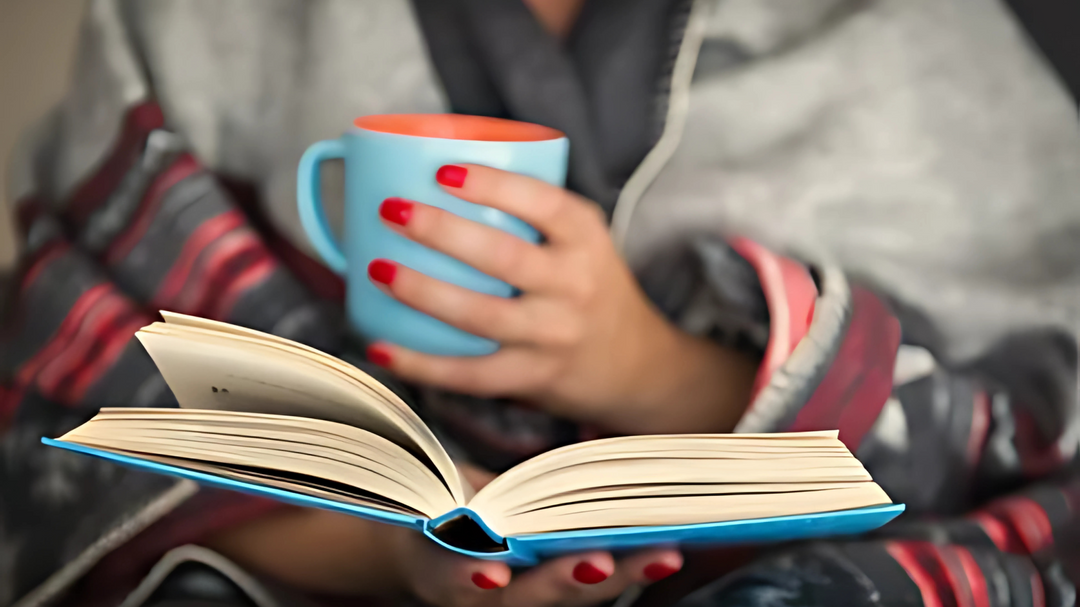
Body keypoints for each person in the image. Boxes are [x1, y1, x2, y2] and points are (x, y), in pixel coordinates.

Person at [2, 0, 1079, 605]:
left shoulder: (937, 40)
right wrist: (397, 552)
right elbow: (71, 414)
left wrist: (645, 363)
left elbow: (1041, 438)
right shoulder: (194, 23)